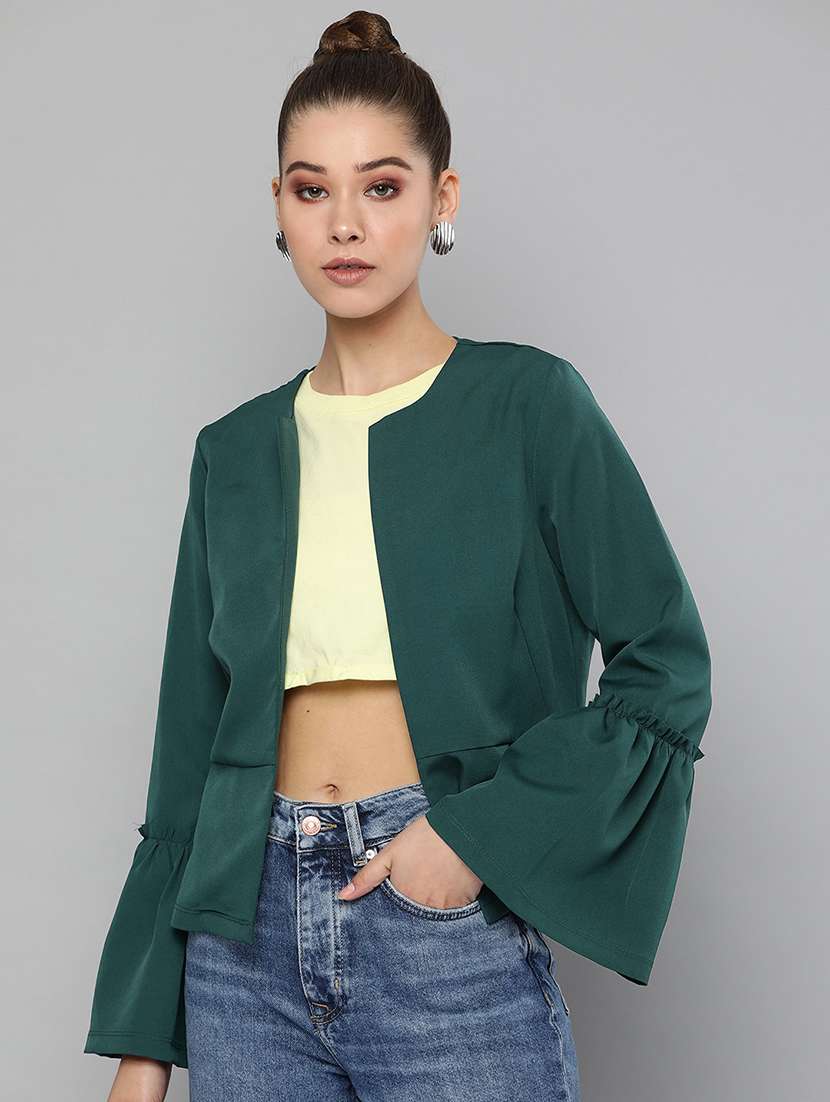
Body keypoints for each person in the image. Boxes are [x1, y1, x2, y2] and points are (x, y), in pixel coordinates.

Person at [84, 10, 712, 1102]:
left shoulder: (528, 406)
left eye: (381, 186)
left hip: (436, 923)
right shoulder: (233, 453)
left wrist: (468, 842)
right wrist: (145, 1048)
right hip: (241, 953)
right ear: (278, 209)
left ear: (440, 199)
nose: (345, 224)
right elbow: (186, 759)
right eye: (311, 190)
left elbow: (666, 665)